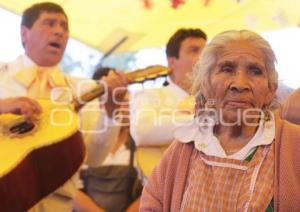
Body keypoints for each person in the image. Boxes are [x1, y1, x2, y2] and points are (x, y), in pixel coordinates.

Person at [140, 30, 300, 211]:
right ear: (206, 85)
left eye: (255, 71)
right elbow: (152, 204)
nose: (240, 84)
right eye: (227, 69)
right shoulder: (186, 146)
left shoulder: (293, 144)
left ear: (271, 90)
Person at [0, 2, 127, 211]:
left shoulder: (82, 90)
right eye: (49, 23)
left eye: (64, 27)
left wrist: (111, 112)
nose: (59, 31)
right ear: (24, 33)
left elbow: (94, 158)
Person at [79, 67, 142, 212]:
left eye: (124, 98)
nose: (121, 105)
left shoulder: (140, 141)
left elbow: (151, 189)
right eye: (112, 98)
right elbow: (71, 189)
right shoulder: (84, 139)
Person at [130, 28, 207, 147]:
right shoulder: (150, 95)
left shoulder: (212, 101)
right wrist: (204, 122)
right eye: (194, 51)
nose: (203, 57)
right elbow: (142, 131)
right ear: (172, 62)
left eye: (206, 52)